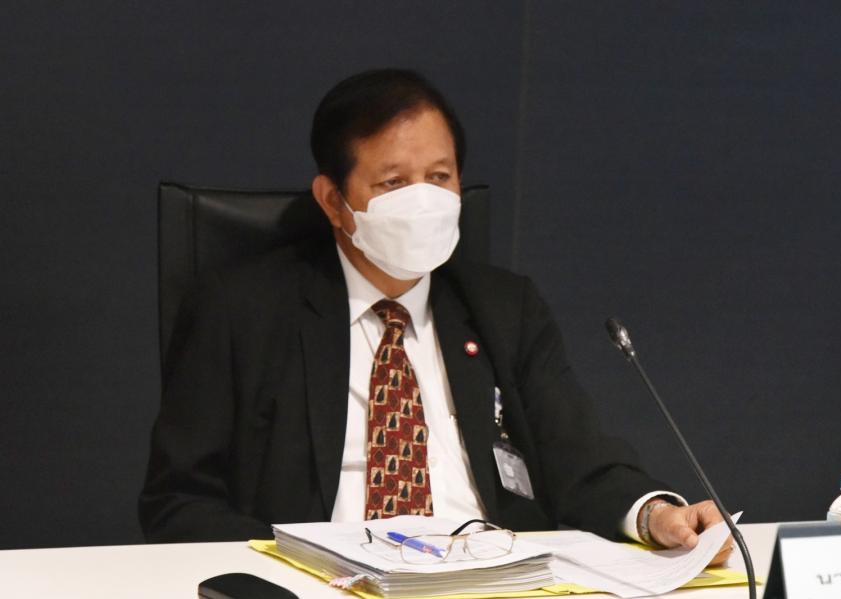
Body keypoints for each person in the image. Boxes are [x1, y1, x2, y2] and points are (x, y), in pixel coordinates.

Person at [139, 69, 732, 565]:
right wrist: (294, 566)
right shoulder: (242, 310)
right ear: (333, 201)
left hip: (494, 579)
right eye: (394, 182)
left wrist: (655, 515)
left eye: (440, 178)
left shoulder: (504, 308)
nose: (422, 201)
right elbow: (180, 503)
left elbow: (579, 460)